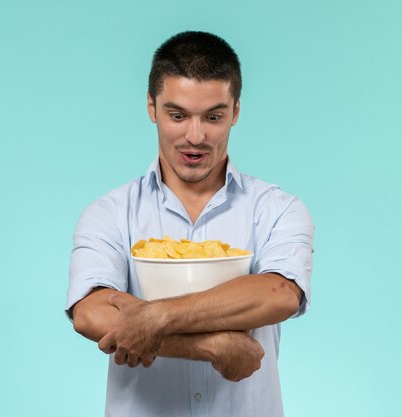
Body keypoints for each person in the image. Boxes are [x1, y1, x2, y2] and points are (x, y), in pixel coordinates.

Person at [66, 31, 314, 417]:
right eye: (177, 115)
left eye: (213, 116)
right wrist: (211, 347)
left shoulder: (277, 209)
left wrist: (156, 317)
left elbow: (279, 293)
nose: (194, 137)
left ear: (235, 111)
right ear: (152, 107)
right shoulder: (109, 212)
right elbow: (90, 313)